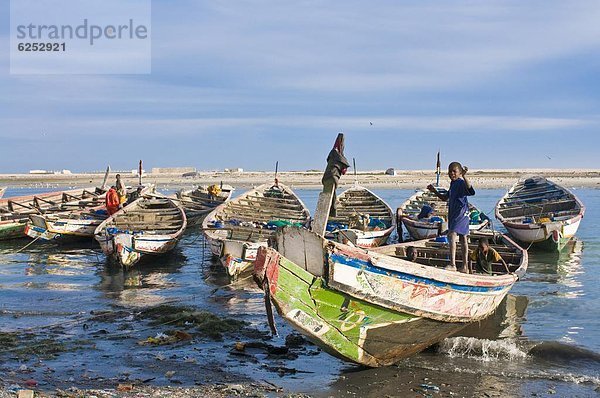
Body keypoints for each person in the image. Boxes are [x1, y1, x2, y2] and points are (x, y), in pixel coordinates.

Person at [427, 162, 475, 273]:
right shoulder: (453, 184)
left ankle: (453, 264)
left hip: (461, 213)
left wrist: (465, 176)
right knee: (463, 238)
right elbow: (445, 198)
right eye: (450, 171)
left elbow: (471, 191)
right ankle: (464, 267)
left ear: (460, 173)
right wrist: (434, 191)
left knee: (452, 234)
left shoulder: (460, 182)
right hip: (454, 214)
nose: (452, 173)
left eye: (454, 171)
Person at [322, 133, 350, 217]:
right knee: (330, 199)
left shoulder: (333, 153)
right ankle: (331, 216)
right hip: (332, 178)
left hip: (327, 178)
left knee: (329, 198)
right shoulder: (338, 154)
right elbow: (344, 169)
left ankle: (331, 216)